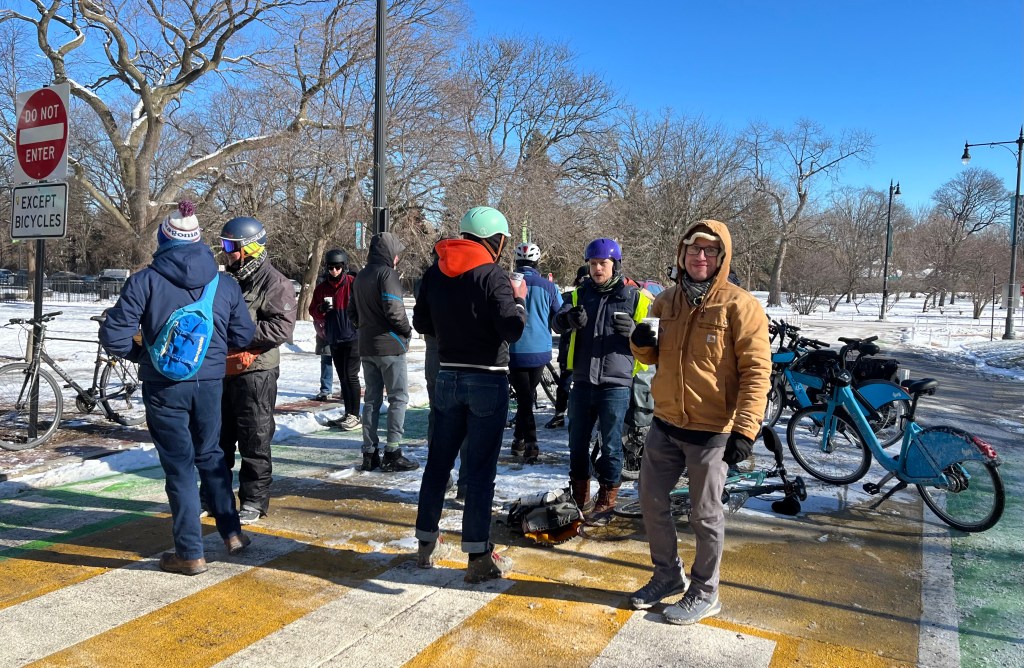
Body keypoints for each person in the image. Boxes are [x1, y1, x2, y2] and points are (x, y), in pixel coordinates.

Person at [99, 201, 256, 574]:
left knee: (180, 468)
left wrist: (144, 356)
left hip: (164, 386)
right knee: (212, 456)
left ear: (163, 238)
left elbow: (114, 335)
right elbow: (243, 334)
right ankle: (232, 533)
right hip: (210, 384)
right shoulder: (224, 283)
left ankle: (189, 552)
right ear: (199, 238)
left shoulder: (145, 280)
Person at [627, 220, 770, 625]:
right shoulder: (666, 301)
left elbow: (757, 371)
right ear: (681, 255)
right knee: (651, 501)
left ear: (721, 258)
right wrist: (639, 341)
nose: (700, 257)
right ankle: (667, 575)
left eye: (709, 251)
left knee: (704, 514)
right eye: (693, 250)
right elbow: (650, 357)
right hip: (666, 423)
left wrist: (745, 428)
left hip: (712, 431)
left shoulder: (740, 305)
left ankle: (705, 591)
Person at [412, 205, 527, 583]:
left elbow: (421, 322)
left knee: (438, 463)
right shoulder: (492, 275)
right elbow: (511, 330)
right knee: (478, 471)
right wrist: (519, 299)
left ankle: (426, 542)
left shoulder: (434, 272)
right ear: (495, 240)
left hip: (447, 377)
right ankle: (478, 555)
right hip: (486, 379)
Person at [555, 238, 651, 525]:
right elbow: (556, 322)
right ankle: (581, 497)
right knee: (577, 443)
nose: (598, 269)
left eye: (603, 264)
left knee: (611, 445)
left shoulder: (636, 298)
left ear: (615, 265)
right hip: (583, 381)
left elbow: (652, 344)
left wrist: (635, 331)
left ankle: (608, 500)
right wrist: (568, 320)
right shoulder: (576, 296)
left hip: (616, 384)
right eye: (593, 264)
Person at [218, 216, 298, 525]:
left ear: (250, 248)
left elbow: (280, 327)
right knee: (218, 437)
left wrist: (238, 332)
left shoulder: (275, 282)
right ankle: (215, 495)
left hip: (257, 372)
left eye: (230, 246)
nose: (226, 252)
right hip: (224, 369)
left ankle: (253, 499)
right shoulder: (228, 279)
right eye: (224, 245)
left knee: (254, 436)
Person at [348, 232, 418, 473]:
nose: (398, 258)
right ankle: (393, 451)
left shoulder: (360, 276)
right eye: (396, 253)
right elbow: (394, 310)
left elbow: (351, 311)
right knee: (398, 398)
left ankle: (369, 452)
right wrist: (407, 331)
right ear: (390, 253)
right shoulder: (386, 274)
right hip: (390, 345)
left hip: (366, 346)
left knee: (371, 400)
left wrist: (364, 328)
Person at [507, 242, 563, 463]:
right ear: (537, 262)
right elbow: (559, 316)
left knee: (524, 398)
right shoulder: (548, 286)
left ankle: (528, 441)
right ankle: (523, 440)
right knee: (526, 397)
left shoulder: (507, 282)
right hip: (540, 349)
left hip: (515, 349)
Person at [309, 249, 361, 430]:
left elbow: (364, 304)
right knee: (342, 377)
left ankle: (355, 414)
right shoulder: (322, 288)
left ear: (344, 267)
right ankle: (348, 412)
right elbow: (312, 310)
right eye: (331, 268)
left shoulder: (353, 284)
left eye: (338, 267)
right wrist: (321, 310)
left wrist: (359, 322)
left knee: (351, 375)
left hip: (353, 337)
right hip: (334, 337)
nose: (334, 271)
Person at [545, 265, 589, 430]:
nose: (586, 282)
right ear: (578, 280)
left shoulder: (593, 296)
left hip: (585, 351)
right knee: (565, 382)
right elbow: (557, 318)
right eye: (583, 279)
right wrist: (566, 318)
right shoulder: (571, 296)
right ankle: (559, 414)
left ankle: (575, 417)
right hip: (568, 347)